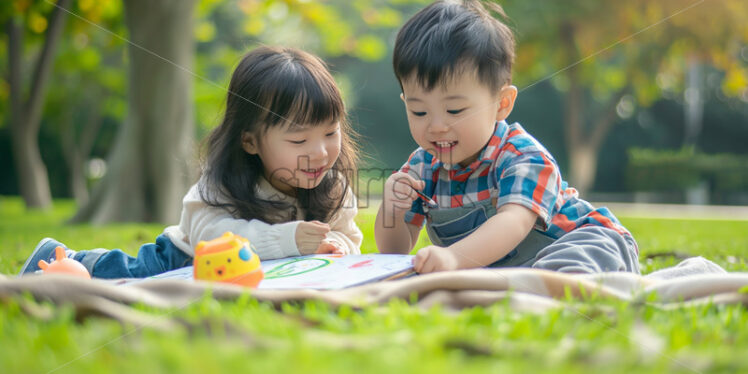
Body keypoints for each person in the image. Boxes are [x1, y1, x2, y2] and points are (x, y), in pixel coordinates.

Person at [20, 46, 363, 278]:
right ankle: (59, 257)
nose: (319, 152)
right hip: (182, 260)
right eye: (299, 139)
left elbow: (349, 236)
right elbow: (210, 238)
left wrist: (336, 247)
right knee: (128, 275)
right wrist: (293, 240)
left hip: (264, 275)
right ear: (250, 141)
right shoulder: (222, 181)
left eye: (330, 133)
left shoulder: (333, 186)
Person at [374, 0, 639, 275]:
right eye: (419, 112)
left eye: (455, 110)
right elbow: (395, 253)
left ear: (502, 103)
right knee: (408, 276)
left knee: (570, 264)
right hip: (516, 268)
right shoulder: (422, 168)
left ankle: (555, 289)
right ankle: (529, 287)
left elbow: (513, 223)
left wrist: (452, 258)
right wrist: (391, 212)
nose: (437, 126)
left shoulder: (522, 155)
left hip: (586, 238)